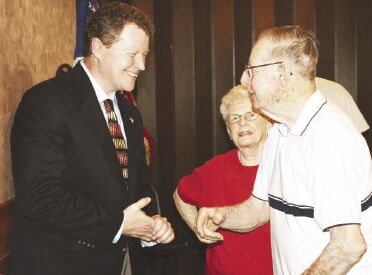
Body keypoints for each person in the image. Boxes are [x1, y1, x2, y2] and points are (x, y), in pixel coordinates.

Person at [9, 2, 174, 275]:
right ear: (98, 48)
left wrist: (151, 225)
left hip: (121, 261)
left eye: (145, 55)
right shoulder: (46, 102)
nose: (142, 65)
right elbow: (41, 196)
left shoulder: (129, 112)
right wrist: (119, 224)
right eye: (132, 54)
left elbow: (138, 187)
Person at [196, 25, 372, 274]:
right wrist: (222, 215)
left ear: (280, 72)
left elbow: (348, 246)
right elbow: (260, 208)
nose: (244, 80)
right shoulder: (279, 131)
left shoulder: (330, 136)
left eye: (251, 70)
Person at [173, 85, 273, 275]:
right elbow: (180, 195)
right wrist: (199, 228)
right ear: (228, 130)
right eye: (234, 119)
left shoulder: (284, 167)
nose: (242, 123)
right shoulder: (214, 169)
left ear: (268, 122)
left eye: (251, 115)